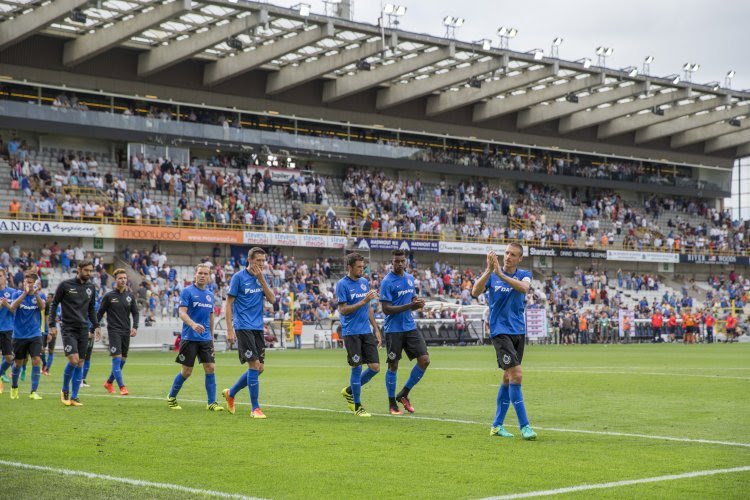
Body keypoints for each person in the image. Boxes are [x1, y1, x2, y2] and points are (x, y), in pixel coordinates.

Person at [471, 245, 537, 440]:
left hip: (518, 331)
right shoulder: (492, 275)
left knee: (508, 378)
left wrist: (500, 274)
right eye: (506, 253)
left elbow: (524, 288)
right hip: (500, 332)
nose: (508, 257)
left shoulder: (524, 274)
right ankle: (524, 426)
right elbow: (475, 291)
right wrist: (490, 271)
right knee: (516, 374)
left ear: (520, 259)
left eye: (513, 255)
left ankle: (497, 426)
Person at [222, 247, 276, 419]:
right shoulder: (238, 278)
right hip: (243, 326)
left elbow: (273, 300)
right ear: (249, 260)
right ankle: (256, 409)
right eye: (258, 260)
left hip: (258, 327)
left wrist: (261, 279)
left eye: (263, 260)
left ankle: (231, 393)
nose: (261, 263)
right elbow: (229, 304)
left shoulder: (262, 277)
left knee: (260, 368)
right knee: (253, 366)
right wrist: (230, 329)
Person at [167, 264, 223, 411]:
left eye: (205, 273)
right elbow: (181, 312)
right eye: (200, 273)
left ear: (209, 276)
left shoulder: (210, 294)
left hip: (205, 338)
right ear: (195, 275)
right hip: (189, 337)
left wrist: (211, 336)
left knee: (210, 367)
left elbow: (211, 317)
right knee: (186, 372)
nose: (202, 276)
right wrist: (193, 324)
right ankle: (171, 396)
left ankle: (212, 402)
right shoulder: (187, 291)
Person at [379, 249, 427, 415]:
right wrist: (409, 306)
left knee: (424, 360)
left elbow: (411, 299)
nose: (399, 264)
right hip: (394, 330)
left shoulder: (410, 278)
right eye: (396, 261)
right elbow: (386, 309)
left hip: (409, 326)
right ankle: (392, 404)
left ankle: (404, 394)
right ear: (391, 262)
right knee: (393, 366)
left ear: (405, 261)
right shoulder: (386, 282)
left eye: (402, 261)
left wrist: (417, 302)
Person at [336, 253, 381, 417]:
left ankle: (349, 391)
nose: (362, 269)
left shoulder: (364, 282)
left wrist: (375, 329)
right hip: (351, 332)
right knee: (357, 367)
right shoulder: (342, 285)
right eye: (359, 267)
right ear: (350, 267)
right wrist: (363, 301)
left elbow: (368, 307)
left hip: (366, 331)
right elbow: (343, 310)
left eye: (363, 267)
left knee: (375, 367)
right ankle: (357, 405)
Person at [49, 261, 100, 407]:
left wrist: (96, 326)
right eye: (86, 270)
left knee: (81, 362)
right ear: (78, 270)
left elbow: (91, 309)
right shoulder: (65, 285)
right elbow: (54, 304)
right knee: (74, 360)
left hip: (83, 329)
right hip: (68, 328)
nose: (88, 273)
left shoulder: (91, 287)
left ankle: (75, 396)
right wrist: (51, 324)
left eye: (90, 271)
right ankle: (64, 389)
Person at [5, 272, 46, 400]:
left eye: (30, 282)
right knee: (18, 363)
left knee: (36, 360)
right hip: (19, 335)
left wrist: (36, 293)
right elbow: (12, 307)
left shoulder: (39, 295)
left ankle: (33, 391)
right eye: (25, 282)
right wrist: (24, 293)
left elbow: (42, 307)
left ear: (34, 284)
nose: (27, 284)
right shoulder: (17, 294)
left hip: (35, 334)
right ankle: (14, 387)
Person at [98, 269, 139, 396]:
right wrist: (95, 327)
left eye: (125, 278)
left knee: (123, 360)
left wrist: (135, 327)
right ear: (115, 280)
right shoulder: (109, 296)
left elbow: (135, 313)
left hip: (126, 331)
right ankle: (122, 387)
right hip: (113, 331)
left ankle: (109, 382)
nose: (123, 280)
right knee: (117, 359)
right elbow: (99, 313)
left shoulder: (130, 296)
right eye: (120, 278)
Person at [0, 269, 15, 392]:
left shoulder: (12, 293)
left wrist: (7, 305)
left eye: (0, 276)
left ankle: (1, 372)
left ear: (5, 277)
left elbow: (15, 311)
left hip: (7, 329)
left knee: (9, 358)